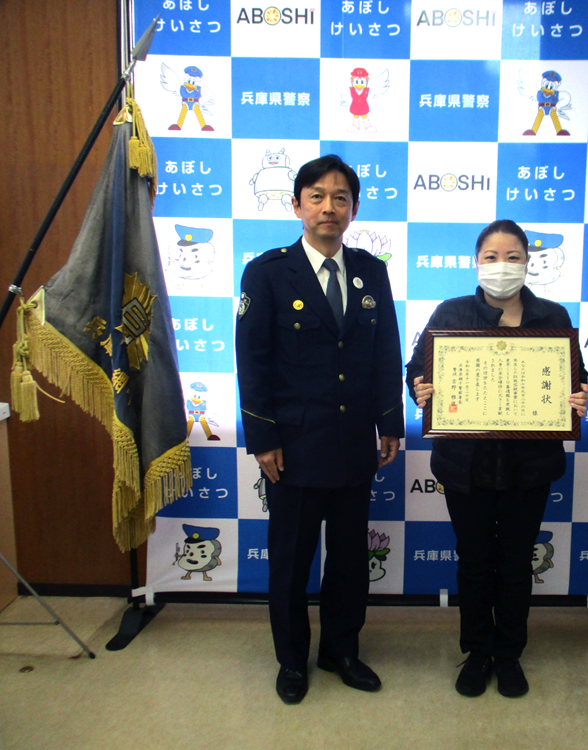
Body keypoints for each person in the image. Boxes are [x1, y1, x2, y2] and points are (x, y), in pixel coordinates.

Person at [236, 154, 405, 705]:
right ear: (297, 206)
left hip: (354, 443)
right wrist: (263, 438)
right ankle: (291, 661)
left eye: (340, 198)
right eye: (317, 196)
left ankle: (341, 651)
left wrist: (389, 422)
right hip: (294, 447)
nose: (329, 207)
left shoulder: (371, 271)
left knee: (350, 560)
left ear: (353, 209)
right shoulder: (267, 272)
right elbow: (252, 362)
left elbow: (385, 351)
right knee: (291, 563)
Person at [405, 219, 588, 698]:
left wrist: (578, 397)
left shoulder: (551, 315)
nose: (502, 266)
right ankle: (477, 652)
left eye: (512, 257)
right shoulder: (451, 313)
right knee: (473, 561)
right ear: (476, 262)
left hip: (529, 468)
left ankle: (508, 654)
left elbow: (576, 377)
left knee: (515, 562)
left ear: (527, 263)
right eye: (491, 257)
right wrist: (419, 388)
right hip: (465, 467)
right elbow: (416, 370)